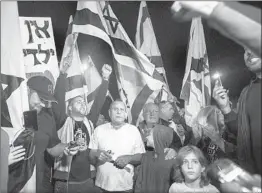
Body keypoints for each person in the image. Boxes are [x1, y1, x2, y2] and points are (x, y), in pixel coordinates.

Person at [52, 64, 112, 193]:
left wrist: (105, 79)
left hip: (87, 179)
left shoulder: (89, 122)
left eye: (84, 102)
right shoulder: (63, 121)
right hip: (66, 182)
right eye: (78, 102)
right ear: (69, 108)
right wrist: (62, 75)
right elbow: (58, 99)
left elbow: (98, 102)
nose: (83, 103)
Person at [212, 49, 261, 175]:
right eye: (245, 50)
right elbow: (242, 133)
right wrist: (225, 109)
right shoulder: (247, 92)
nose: (249, 52)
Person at [27, 76, 78, 193]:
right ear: (28, 91)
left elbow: (53, 148)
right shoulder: (8, 114)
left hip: (38, 182)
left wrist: (68, 146)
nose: (43, 104)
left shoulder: (46, 117)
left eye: (47, 100)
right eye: (41, 98)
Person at [89, 100, 146, 193]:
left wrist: (129, 158)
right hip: (101, 185)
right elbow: (91, 156)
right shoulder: (99, 130)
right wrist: (97, 154)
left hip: (125, 186)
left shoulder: (133, 130)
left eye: (122, 109)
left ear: (125, 114)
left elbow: (141, 157)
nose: (119, 112)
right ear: (109, 112)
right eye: (115, 109)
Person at [171, 1, 261, 56]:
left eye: (251, 48)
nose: (249, 53)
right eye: (246, 49)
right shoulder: (247, 88)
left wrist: (210, 8)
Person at [134, 125, 178, 193]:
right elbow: (139, 182)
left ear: (158, 138)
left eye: (150, 135)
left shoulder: (171, 161)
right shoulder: (147, 156)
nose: (147, 137)